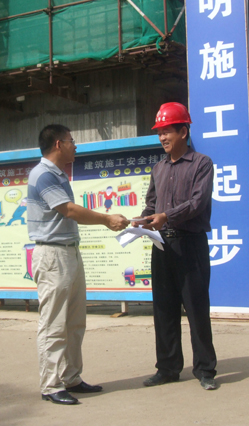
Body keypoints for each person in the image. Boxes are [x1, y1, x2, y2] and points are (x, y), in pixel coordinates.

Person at [28, 124, 129, 405]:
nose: (75, 146)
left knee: (74, 321)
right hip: (53, 256)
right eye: (72, 141)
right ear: (58, 144)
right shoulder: (43, 174)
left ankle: (71, 377)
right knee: (54, 323)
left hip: (68, 252)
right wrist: (107, 219)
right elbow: (68, 210)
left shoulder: (58, 175)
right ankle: (51, 385)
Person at [133, 102, 218, 391]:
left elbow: (197, 203)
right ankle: (168, 368)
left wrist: (166, 216)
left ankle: (205, 370)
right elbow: (151, 204)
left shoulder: (201, 163)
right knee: (164, 309)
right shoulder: (158, 168)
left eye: (167, 131)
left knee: (196, 309)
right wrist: (141, 221)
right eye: (159, 133)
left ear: (183, 131)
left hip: (190, 245)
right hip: (162, 246)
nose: (162, 137)